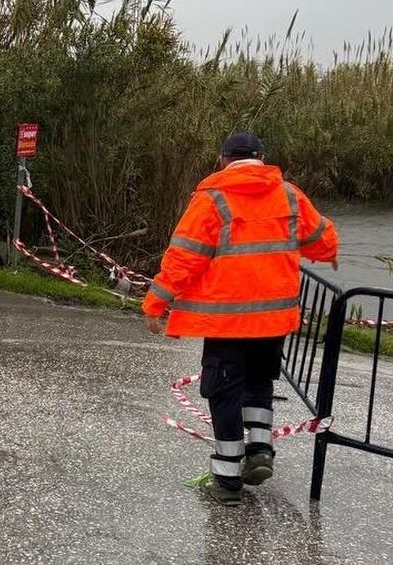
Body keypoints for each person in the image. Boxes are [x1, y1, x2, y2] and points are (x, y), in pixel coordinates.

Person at [142, 131, 338, 506]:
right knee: (259, 381)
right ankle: (260, 446)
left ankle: (228, 480)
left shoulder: (213, 199)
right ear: (263, 158)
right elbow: (321, 239)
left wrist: (156, 301)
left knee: (223, 392)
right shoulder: (290, 195)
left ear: (222, 160)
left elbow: (185, 255)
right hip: (273, 319)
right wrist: (328, 253)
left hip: (226, 320)